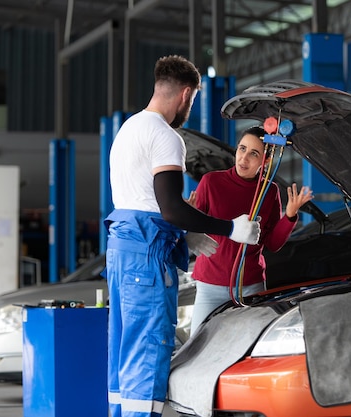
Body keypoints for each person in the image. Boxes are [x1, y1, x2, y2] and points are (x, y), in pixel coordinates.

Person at [104, 55, 260, 417]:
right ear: (186, 94)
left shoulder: (127, 130)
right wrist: (230, 228)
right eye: (192, 101)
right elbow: (171, 208)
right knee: (147, 356)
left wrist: (182, 238)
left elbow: (141, 205)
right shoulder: (165, 136)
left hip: (123, 252)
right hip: (146, 259)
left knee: (124, 358)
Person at [189, 125, 314, 335]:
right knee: (197, 347)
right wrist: (190, 218)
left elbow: (272, 243)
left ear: (265, 161)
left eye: (253, 154)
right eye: (242, 149)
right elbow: (194, 228)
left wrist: (290, 215)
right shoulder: (211, 182)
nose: (244, 158)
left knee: (250, 349)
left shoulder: (269, 191)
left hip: (252, 287)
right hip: (210, 286)